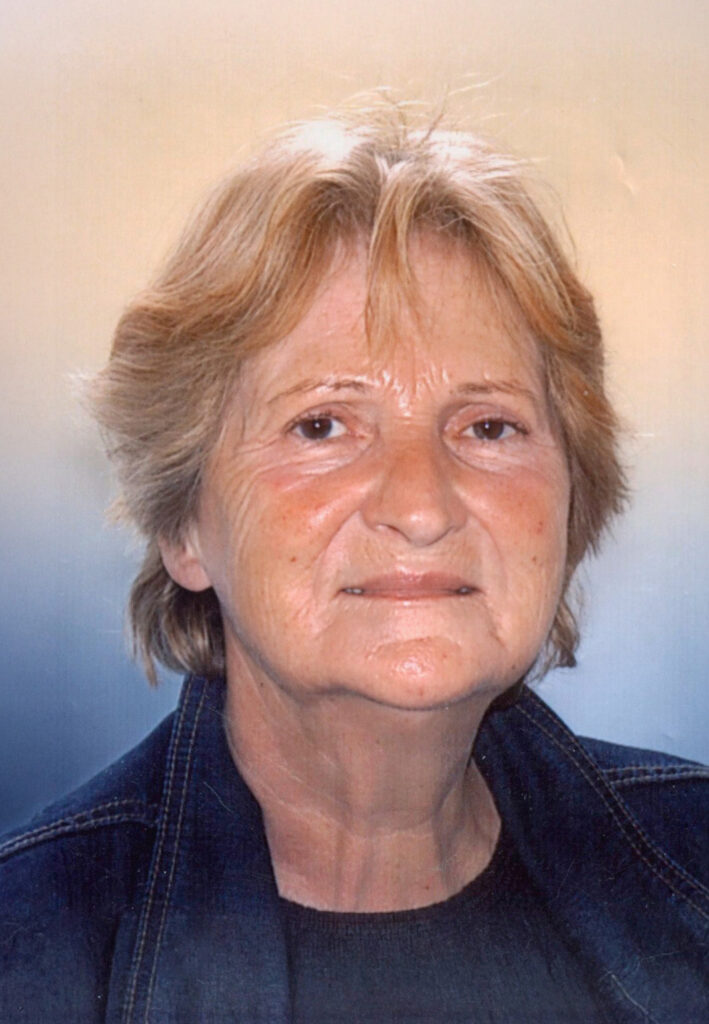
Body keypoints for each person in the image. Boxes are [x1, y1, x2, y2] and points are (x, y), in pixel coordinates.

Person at [1, 105, 706, 1024]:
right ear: (184, 527)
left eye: (488, 427)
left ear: (572, 499)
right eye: (322, 425)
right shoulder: (28, 954)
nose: (420, 506)